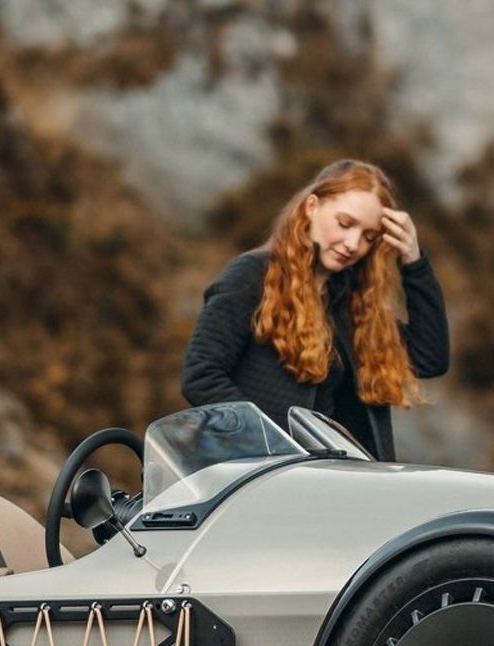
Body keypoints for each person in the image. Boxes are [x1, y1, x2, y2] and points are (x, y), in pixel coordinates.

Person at [181, 159, 450, 462]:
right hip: (264, 480)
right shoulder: (251, 277)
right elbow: (201, 376)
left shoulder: (354, 304)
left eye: (369, 237)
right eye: (345, 224)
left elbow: (430, 359)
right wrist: (268, 444)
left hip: (347, 487)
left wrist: (414, 262)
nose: (353, 244)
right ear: (312, 207)